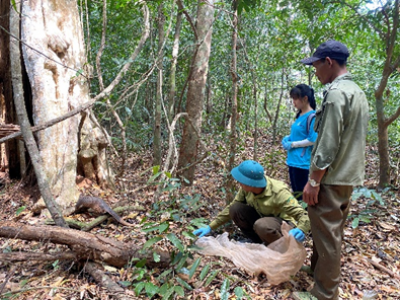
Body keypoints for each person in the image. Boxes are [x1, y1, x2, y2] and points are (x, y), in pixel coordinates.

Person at [292, 40, 369, 300]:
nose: (315, 72)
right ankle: (318, 274)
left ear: (328, 62)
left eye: (316, 66)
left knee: (327, 236)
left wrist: (314, 180)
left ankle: (324, 294)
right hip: (347, 175)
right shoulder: (356, 91)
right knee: (329, 231)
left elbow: (328, 141)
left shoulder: (336, 94)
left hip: (331, 177)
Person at [192, 160, 310, 245]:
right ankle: (259, 242)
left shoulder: (279, 192)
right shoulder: (246, 189)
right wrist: (210, 227)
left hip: (282, 225)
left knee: (262, 225)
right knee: (236, 209)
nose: (239, 183)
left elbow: (303, 215)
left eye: (241, 181)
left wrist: (300, 229)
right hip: (263, 220)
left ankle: (280, 248)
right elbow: (231, 208)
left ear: (250, 183)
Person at [282, 84, 318, 201]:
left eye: (296, 98)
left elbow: (312, 139)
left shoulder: (312, 116)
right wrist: (288, 138)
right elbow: (298, 134)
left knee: (303, 198)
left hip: (302, 163)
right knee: (296, 195)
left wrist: (292, 144)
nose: (294, 102)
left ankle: (305, 218)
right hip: (293, 161)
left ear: (305, 98)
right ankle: (299, 218)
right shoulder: (300, 115)